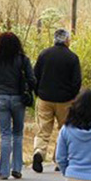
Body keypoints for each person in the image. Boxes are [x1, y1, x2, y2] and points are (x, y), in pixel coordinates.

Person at [0, 32, 36, 180]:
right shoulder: (23, 60)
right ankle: (17, 168)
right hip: (18, 98)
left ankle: (3, 171)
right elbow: (32, 80)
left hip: (1, 98)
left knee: (5, 134)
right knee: (18, 134)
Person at [32, 29, 82, 173]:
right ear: (67, 40)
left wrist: (38, 92)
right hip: (65, 100)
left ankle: (39, 152)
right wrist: (72, 96)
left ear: (54, 39)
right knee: (64, 130)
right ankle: (60, 160)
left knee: (43, 129)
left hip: (44, 98)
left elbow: (35, 76)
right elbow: (76, 81)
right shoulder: (72, 57)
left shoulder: (44, 54)